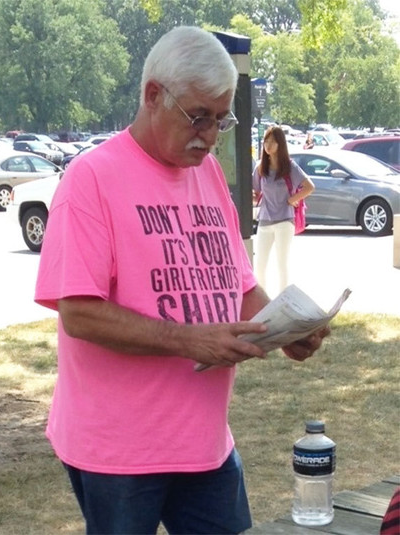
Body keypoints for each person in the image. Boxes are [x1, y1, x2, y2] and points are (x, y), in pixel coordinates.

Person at [35, 26, 329, 535]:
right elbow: (78, 312)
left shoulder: (208, 174)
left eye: (221, 119)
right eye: (198, 117)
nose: (210, 135)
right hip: (118, 452)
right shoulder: (91, 178)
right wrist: (190, 340)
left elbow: (238, 285)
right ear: (153, 96)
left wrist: (283, 328)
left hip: (207, 444)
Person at [253, 126, 315, 293]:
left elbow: (309, 187)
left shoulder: (289, 166)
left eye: (272, 142)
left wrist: (292, 199)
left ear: (280, 144)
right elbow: (256, 194)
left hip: (284, 221)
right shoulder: (260, 168)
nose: (268, 145)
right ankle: (263, 300)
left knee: (282, 264)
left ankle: (283, 299)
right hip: (264, 220)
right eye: (266, 141)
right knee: (260, 265)